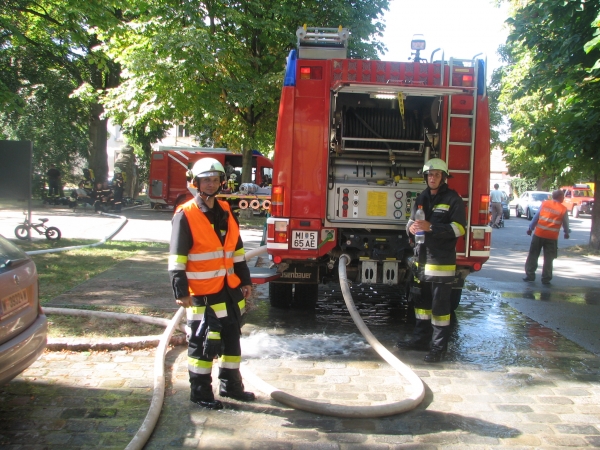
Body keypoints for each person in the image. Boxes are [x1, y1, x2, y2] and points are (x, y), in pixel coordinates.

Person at [169, 157, 255, 410]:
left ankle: (231, 387)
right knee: (203, 344)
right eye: (205, 180)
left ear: (221, 182)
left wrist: (245, 280)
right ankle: (200, 393)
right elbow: (176, 258)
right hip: (202, 293)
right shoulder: (185, 214)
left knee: (231, 341)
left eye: (215, 179)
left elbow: (237, 251)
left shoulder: (226, 211)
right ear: (196, 183)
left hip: (229, 291)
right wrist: (180, 291)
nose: (210, 184)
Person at [396, 158, 466, 363]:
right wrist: (410, 228)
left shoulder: (453, 199)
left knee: (440, 308)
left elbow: (459, 229)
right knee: (422, 305)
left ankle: (438, 348)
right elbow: (411, 222)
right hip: (422, 260)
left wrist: (432, 227)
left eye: (436, 175)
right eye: (429, 175)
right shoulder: (422, 197)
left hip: (441, 261)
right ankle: (420, 340)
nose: (432, 178)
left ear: (443, 177)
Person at [523, 189, 570, 285]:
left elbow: (536, 217)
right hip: (552, 237)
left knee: (533, 254)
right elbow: (565, 223)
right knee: (549, 258)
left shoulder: (545, 204)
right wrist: (566, 232)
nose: (564, 198)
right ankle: (546, 278)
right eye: (563, 196)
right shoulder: (563, 209)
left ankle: (530, 275)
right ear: (560, 197)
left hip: (539, 234)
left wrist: (530, 228)